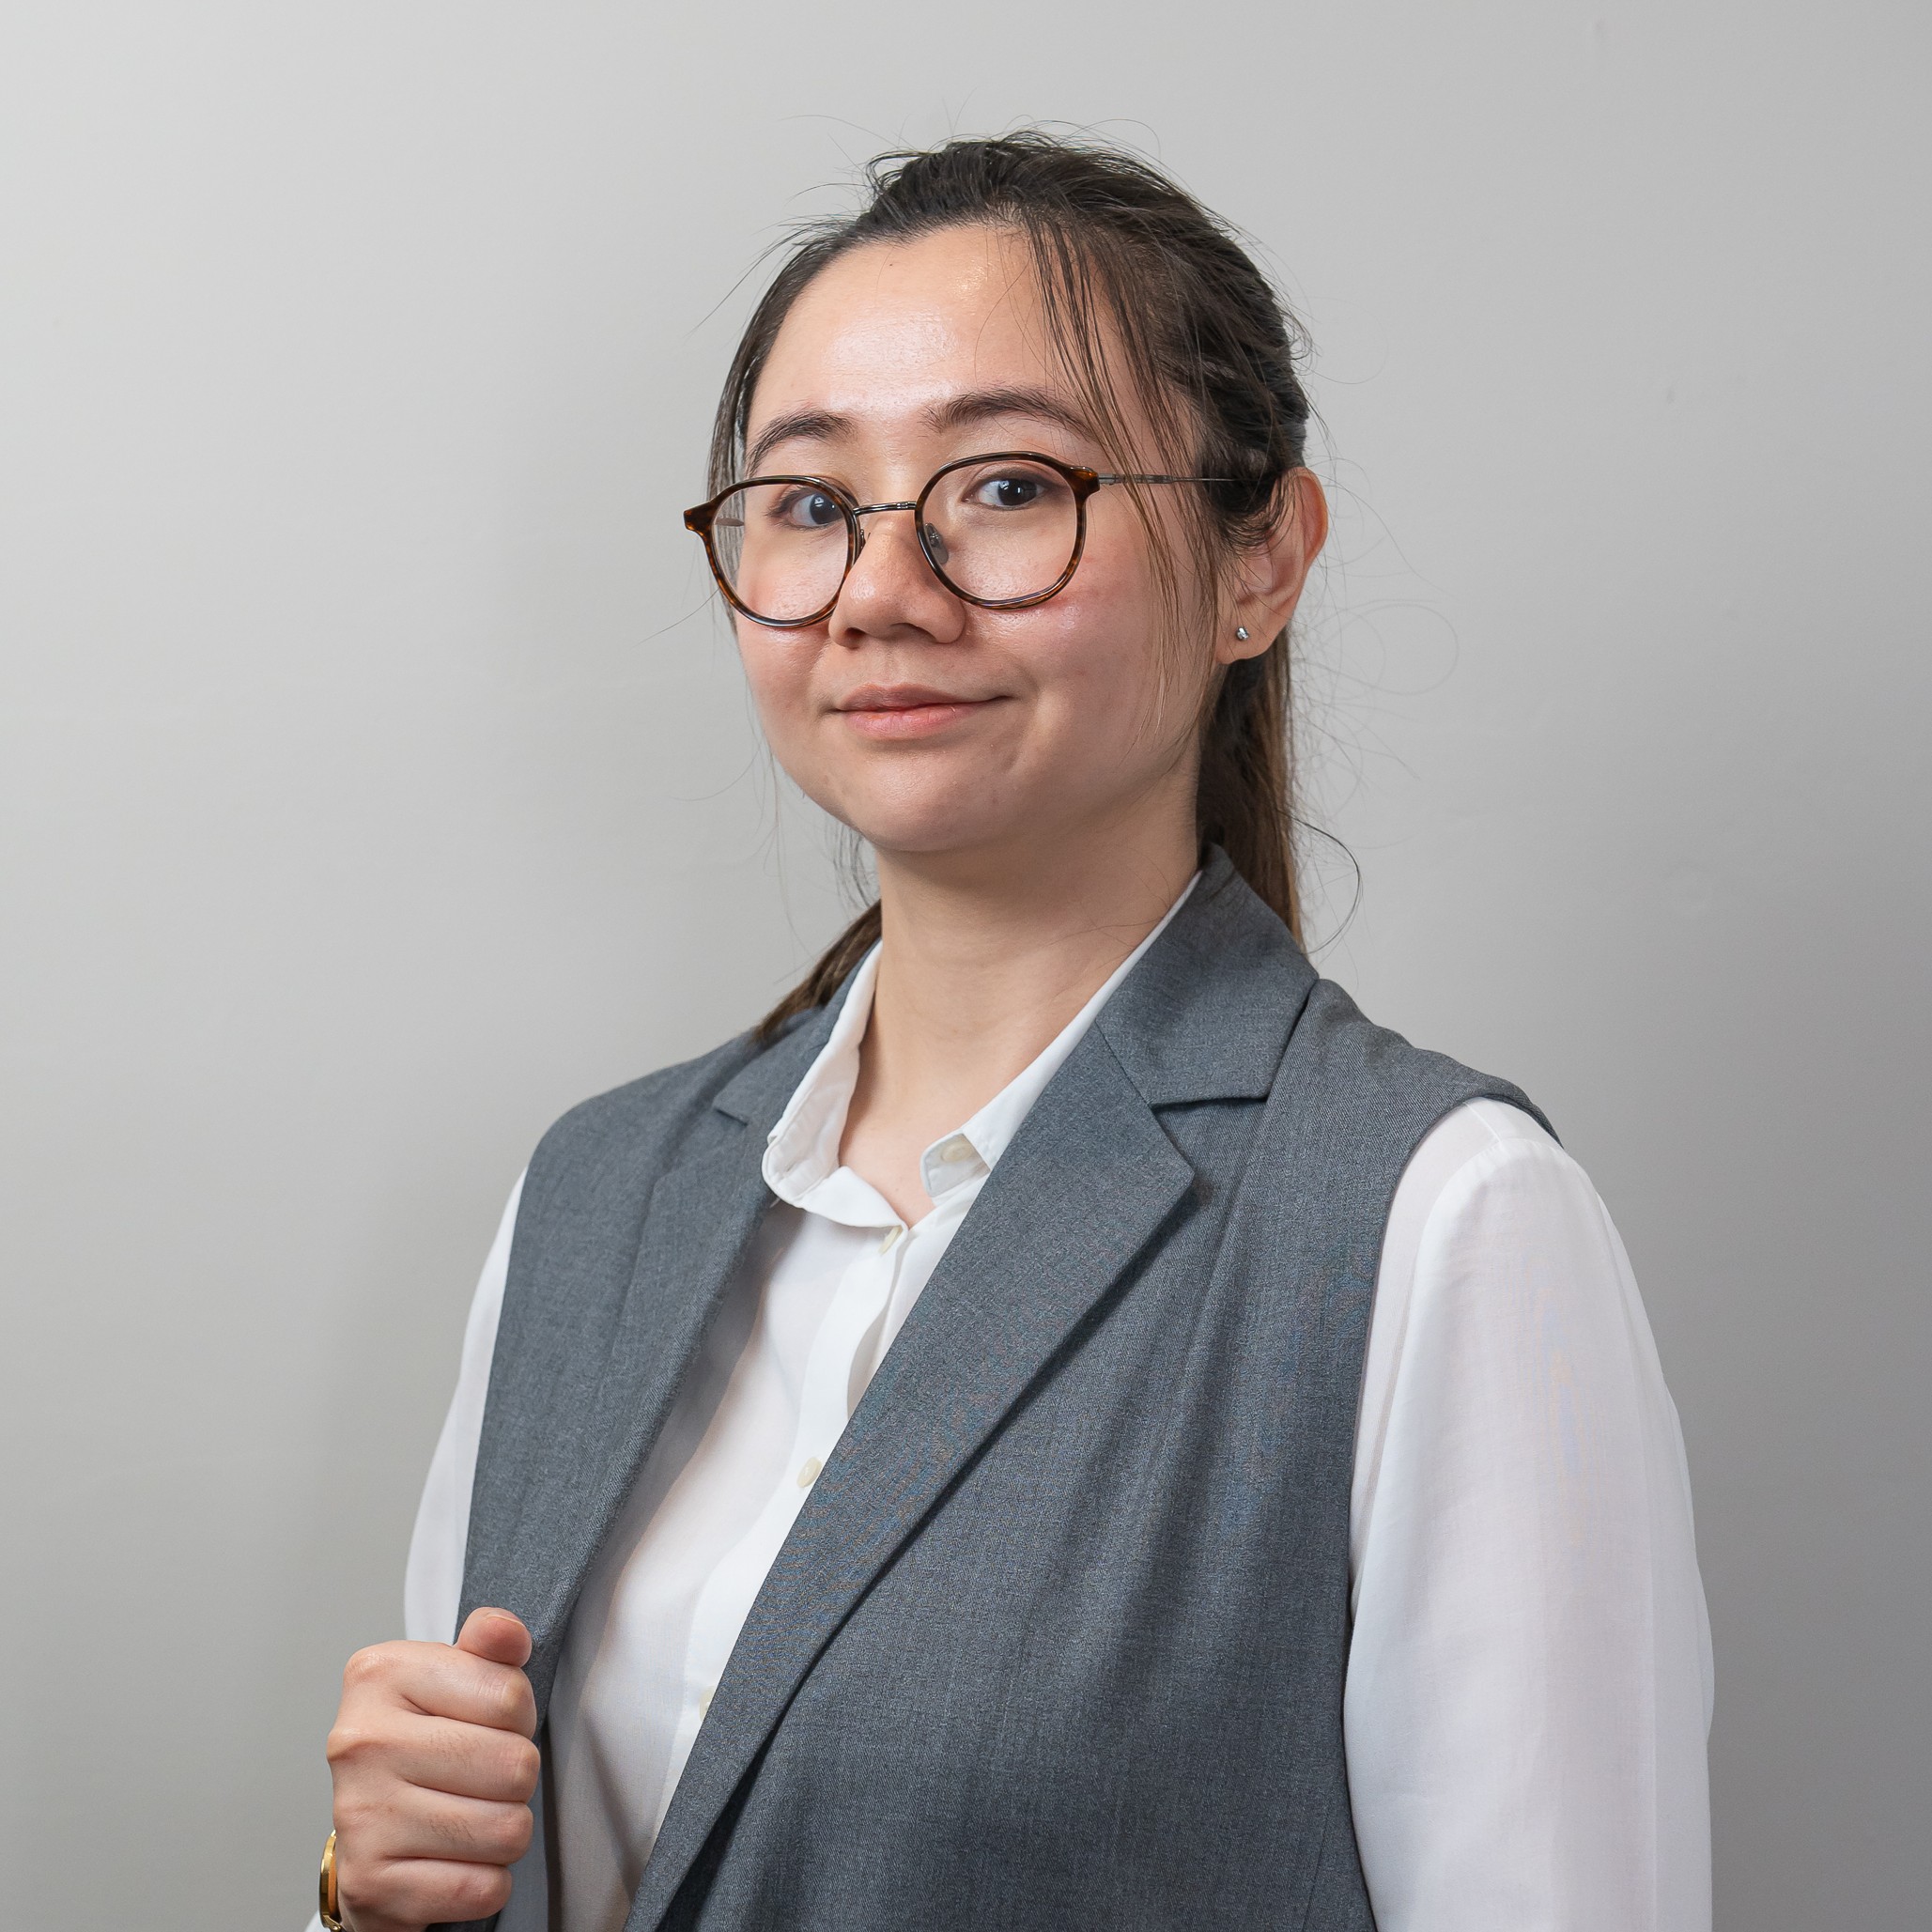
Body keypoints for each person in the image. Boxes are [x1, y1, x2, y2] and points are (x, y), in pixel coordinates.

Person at [315, 133, 1712, 1932]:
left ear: (1257, 561)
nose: (881, 591)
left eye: (1002, 487)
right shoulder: (592, 1195)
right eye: (811, 505)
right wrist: (373, 1896)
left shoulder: (1436, 1221)